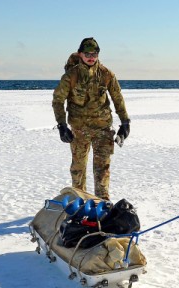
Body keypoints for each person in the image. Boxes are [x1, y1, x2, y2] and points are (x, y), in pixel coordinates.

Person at [52, 37, 130, 200]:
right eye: (87, 53)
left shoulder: (106, 74)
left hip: (103, 129)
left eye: (94, 53)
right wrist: (62, 125)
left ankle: (102, 203)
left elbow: (117, 97)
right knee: (78, 169)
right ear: (80, 54)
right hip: (79, 131)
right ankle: (80, 201)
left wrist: (125, 121)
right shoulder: (71, 76)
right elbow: (58, 100)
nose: (91, 57)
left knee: (102, 169)